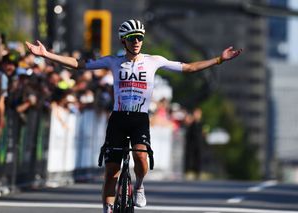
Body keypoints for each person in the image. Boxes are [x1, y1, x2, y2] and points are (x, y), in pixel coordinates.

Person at [25, 19, 242, 213]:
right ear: (123, 41)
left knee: (140, 157)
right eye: (132, 38)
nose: (137, 41)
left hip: (139, 119)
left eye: (140, 37)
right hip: (118, 118)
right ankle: (107, 208)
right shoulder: (113, 61)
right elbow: (79, 65)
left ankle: (139, 186)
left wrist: (218, 60)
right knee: (112, 171)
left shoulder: (153, 60)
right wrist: (46, 55)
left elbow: (188, 68)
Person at [184, 107, 204, 180]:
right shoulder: (191, 122)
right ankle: (187, 172)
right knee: (189, 157)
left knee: (198, 158)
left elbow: (204, 132)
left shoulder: (201, 123)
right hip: (191, 143)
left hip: (199, 143)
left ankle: (197, 172)